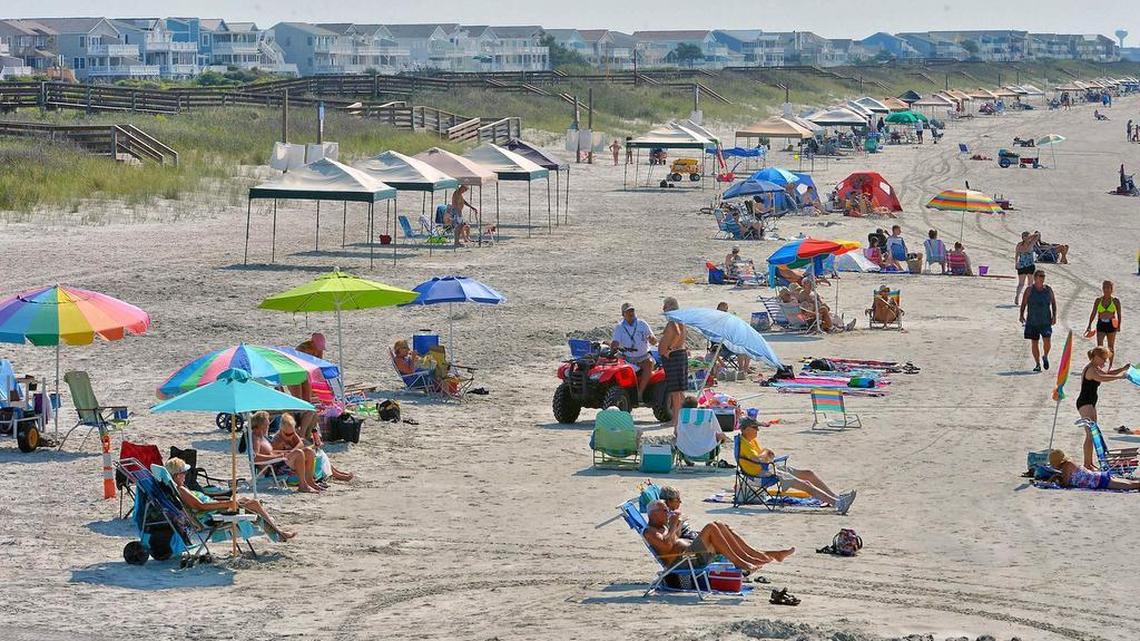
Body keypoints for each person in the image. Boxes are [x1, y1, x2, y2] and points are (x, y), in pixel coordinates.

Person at [642, 499, 794, 575]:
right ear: (653, 514)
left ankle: (752, 556)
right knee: (711, 527)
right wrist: (674, 524)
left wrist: (678, 525)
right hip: (684, 561)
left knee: (720, 525)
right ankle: (743, 562)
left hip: (691, 554)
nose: (668, 513)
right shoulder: (650, 532)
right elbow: (668, 546)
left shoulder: (662, 526)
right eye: (664, 511)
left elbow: (673, 538)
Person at [736, 418, 856, 514]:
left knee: (808, 474)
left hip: (768, 469)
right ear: (746, 429)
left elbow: (763, 458)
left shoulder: (751, 441)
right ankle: (838, 504)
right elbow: (760, 458)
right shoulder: (744, 443)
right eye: (755, 428)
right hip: (760, 475)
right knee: (805, 485)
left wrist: (766, 455)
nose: (758, 430)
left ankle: (835, 497)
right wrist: (766, 452)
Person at [165, 457, 296, 541]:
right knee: (254, 504)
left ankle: (278, 532)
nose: (185, 475)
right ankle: (279, 533)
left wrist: (223, 502)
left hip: (215, 510)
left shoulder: (181, 488)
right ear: (177, 475)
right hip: (212, 516)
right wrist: (226, 503)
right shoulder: (181, 490)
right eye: (184, 473)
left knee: (246, 500)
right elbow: (201, 507)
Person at [1075, 346, 1132, 469]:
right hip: (1085, 403)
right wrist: (1120, 376)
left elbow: (1106, 373)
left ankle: (1089, 463)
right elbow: (1102, 378)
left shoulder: (1095, 367)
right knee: (1090, 434)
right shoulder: (1090, 370)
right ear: (1096, 357)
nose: (1105, 362)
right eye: (1103, 359)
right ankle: (1087, 464)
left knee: (1092, 434)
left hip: (1090, 403)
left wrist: (1122, 369)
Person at [249, 410, 323, 493]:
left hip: (276, 462)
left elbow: (270, 452)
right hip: (272, 468)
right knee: (298, 452)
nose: (269, 423)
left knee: (309, 451)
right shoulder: (255, 438)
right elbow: (255, 458)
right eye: (267, 421)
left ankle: (310, 482)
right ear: (261, 423)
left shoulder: (261, 436)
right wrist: (277, 456)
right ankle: (302, 485)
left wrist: (282, 453)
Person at [273, 413, 353, 482]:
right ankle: (336, 474)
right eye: (287, 434)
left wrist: (296, 450)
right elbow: (273, 454)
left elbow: (300, 444)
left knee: (320, 452)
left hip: (295, 459)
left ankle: (336, 473)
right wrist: (292, 452)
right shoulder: (278, 440)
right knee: (317, 454)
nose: (290, 436)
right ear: (281, 430)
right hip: (284, 465)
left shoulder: (291, 433)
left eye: (292, 433)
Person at [610, 302, 657, 403]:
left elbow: (654, 340)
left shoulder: (642, 324)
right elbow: (615, 341)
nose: (631, 313)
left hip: (642, 357)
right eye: (628, 311)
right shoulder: (619, 327)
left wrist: (652, 339)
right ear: (623, 314)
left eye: (632, 310)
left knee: (649, 364)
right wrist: (614, 345)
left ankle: (640, 393)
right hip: (626, 357)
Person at [1046, 449, 1140, 490]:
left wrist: (1055, 478)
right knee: (1129, 483)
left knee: (1130, 485)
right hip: (1098, 477)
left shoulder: (1066, 467)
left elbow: (1065, 484)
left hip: (1098, 481)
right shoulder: (1069, 463)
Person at [1019, 270, 1056, 373]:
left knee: (1047, 341)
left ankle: (1045, 356)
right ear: (1035, 278)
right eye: (1040, 276)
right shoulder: (1029, 290)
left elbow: (1053, 303)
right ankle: (1037, 364)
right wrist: (1021, 314)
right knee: (1034, 342)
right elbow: (1024, 303)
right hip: (1032, 321)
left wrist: (1054, 316)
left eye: (1043, 276)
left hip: (1045, 320)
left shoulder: (1048, 290)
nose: (1042, 278)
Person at [658, 297, 687, 428]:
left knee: (675, 392)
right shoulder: (680, 320)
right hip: (678, 355)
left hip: (674, 356)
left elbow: (676, 332)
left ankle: (675, 420)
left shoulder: (673, 320)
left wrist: (669, 349)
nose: (663, 308)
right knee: (679, 391)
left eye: (665, 306)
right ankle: (680, 418)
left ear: (670, 307)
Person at [1086, 280, 1122, 363]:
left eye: (1108, 288)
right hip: (1101, 324)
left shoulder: (1116, 301)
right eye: (1104, 287)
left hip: (1111, 324)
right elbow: (1093, 313)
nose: (1106, 289)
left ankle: (1110, 366)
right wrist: (1089, 324)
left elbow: (1119, 314)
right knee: (1099, 347)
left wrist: (1119, 325)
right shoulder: (1098, 300)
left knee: (1111, 347)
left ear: (1112, 289)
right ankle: (1100, 364)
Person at [713, 302, 751, 374]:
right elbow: (714, 344)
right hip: (721, 348)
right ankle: (741, 369)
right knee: (740, 351)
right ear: (717, 310)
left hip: (729, 345)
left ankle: (745, 368)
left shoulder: (728, 320)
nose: (724, 312)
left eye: (725, 310)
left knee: (748, 348)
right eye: (722, 310)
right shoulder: (715, 322)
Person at [1014, 231, 1040, 305]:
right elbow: (1037, 235)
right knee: (1027, 284)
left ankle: (1019, 297)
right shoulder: (1030, 243)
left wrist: (1016, 263)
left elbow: (1016, 255)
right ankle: (1022, 297)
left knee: (1024, 284)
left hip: (1023, 265)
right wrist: (1030, 237)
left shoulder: (1020, 245)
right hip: (1028, 265)